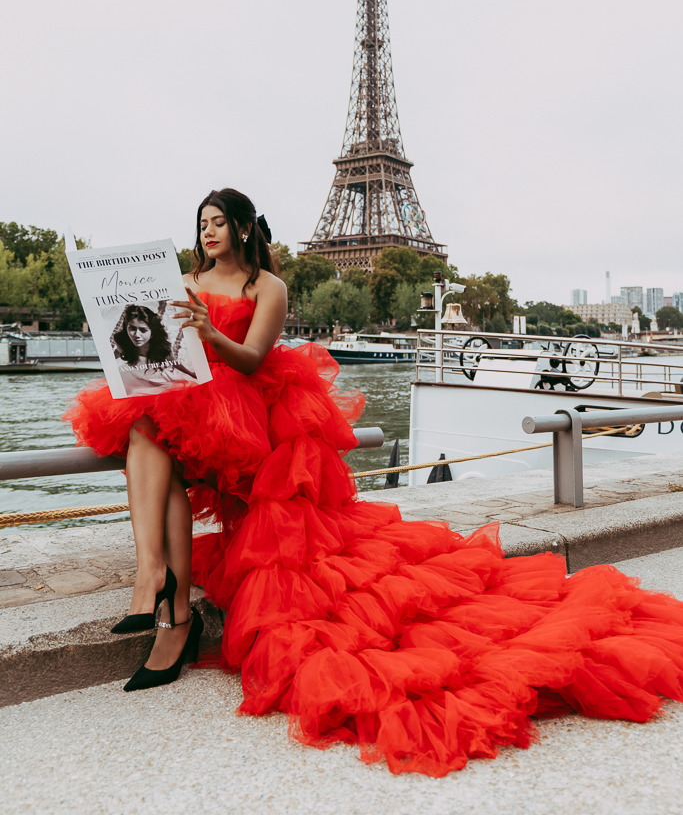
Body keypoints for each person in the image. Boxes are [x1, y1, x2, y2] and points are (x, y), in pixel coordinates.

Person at [65, 187, 683, 777]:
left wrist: (206, 330)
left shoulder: (269, 287)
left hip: (252, 418)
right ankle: (160, 584)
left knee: (154, 441)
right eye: (200, 222)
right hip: (196, 401)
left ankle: (168, 602)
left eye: (217, 221)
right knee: (144, 428)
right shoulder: (187, 281)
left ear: (244, 228)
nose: (205, 231)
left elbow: (252, 359)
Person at [112, 303, 197, 396]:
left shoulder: (161, 346)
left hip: (154, 376)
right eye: (132, 328)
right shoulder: (121, 342)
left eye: (143, 330)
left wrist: (191, 373)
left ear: (152, 333)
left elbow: (173, 362)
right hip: (132, 377)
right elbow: (116, 353)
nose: (136, 335)